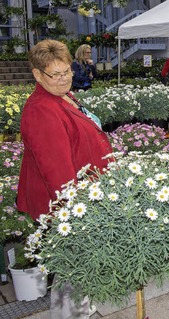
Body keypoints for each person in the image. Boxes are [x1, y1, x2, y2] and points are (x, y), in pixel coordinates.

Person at [18, 39, 113, 319]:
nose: (64, 79)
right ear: (37, 75)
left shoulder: (62, 95)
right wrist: (75, 215)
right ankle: (70, 314)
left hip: (80, 197)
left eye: (67, 72)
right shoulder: (41, 110)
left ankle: (75, 310)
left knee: (75, 269)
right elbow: (58, 175)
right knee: (72, 267)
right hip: (65, 205)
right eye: (55, 74)